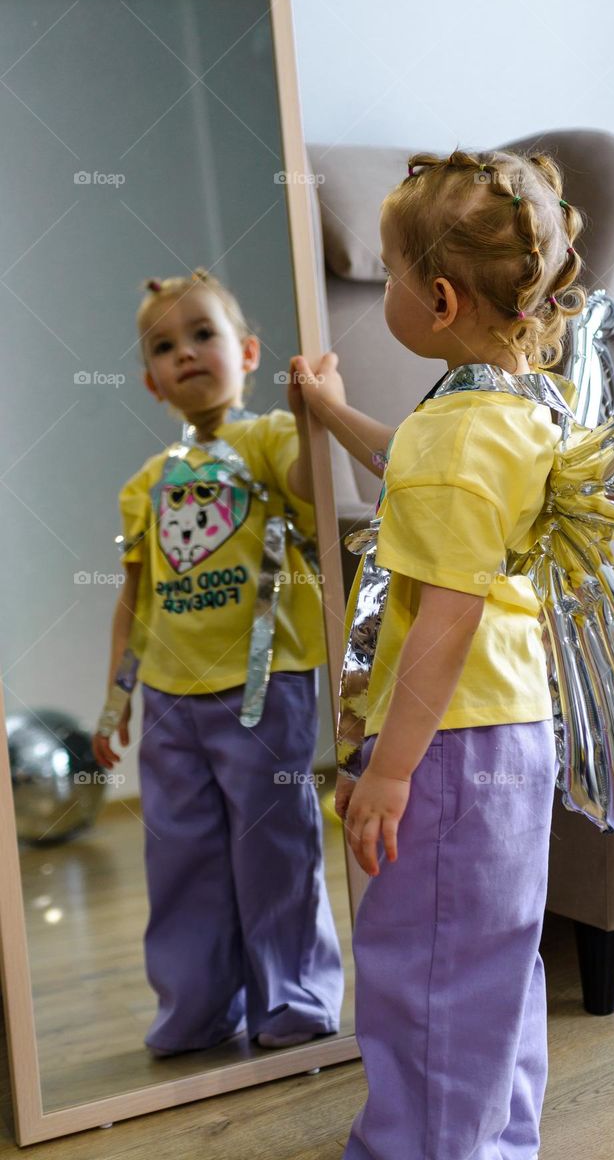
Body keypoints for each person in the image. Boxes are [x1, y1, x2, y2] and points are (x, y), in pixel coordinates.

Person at [294, 148, 586, 1159]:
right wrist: (331, 415)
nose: (378, 288)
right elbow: (407, 467)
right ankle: (494, 1144)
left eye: (384, 274)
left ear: (441, 296)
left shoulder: (457, 438)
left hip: (449, 746)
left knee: (422, 972)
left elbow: (447, 613)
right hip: (509, 735)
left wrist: (388, 768)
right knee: (491, 965)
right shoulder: (512, 410)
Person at [94, 267, 343, 1056]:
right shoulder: (143, 487)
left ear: (247, 350)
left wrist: (314, 417)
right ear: (150, 382)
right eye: (166, 346)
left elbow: (312, 485)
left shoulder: (269, 439)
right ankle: (197, 1007)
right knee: (181, 856)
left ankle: (293, 999)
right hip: (171, 700)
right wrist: (115, 699)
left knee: (273, 848)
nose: (187, 353)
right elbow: (135, 599)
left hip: (266, 687)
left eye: (203, 334)